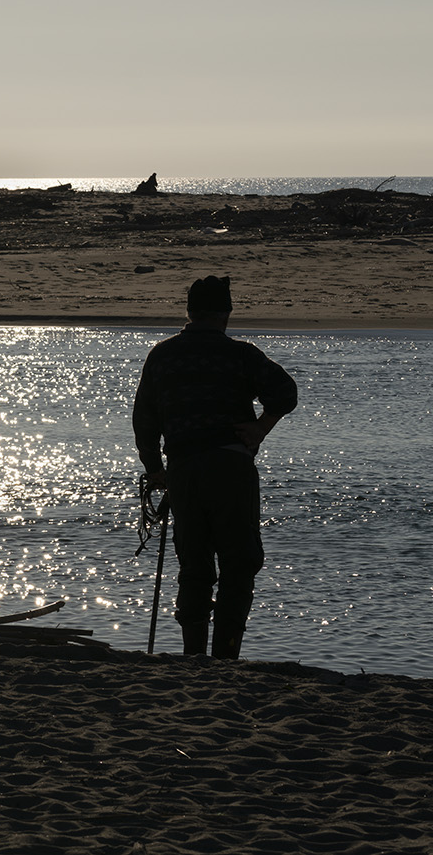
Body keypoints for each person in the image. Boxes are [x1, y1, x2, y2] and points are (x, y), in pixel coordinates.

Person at [131, 276, 297, 659]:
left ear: (190, 312)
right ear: (226, 313)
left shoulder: (162, 355)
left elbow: (144, 421)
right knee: (239, 562)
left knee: (194, 563)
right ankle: (226, 655)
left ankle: (194, 655)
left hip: (185, 470)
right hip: (230, 467)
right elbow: (286, 393)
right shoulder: (241, 354)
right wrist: (260, 428)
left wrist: (156, 470)